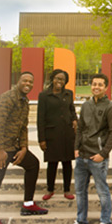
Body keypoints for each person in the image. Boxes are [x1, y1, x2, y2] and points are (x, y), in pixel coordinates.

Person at [0, 72, 48, 224]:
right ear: (18, 81)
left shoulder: (24, 101)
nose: (28, 84)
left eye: (31, 82)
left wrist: (24, 148)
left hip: (13, 146)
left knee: (33, 164)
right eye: (25, 80)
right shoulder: (8, 97)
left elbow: (23, 127)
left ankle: (27, 205)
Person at [62, 73, 112, 224]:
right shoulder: (86, 105)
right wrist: (76, 148)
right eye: (94, 84)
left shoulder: (110, 108)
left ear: (106, 87)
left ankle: (106, 221)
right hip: (82, 156)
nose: (96, 87)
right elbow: (80, 128)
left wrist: (103, 153)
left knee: (102, 190)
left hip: (97, 157)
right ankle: (81, 221)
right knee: (80, 191)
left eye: (100, 85)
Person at [37, 69, 78, 201]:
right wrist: (41, 139)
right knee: (52, 164)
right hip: (52, 134)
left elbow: (71, 109)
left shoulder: (68, 93)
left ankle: (67, 190)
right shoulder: (44, 96)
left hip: (67, 133)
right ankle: (50, 189)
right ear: (52, 79)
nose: (59, 81)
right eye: (57, 78)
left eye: (62, 79)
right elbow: (40, 118)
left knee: (67, 163)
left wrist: (75, 120)